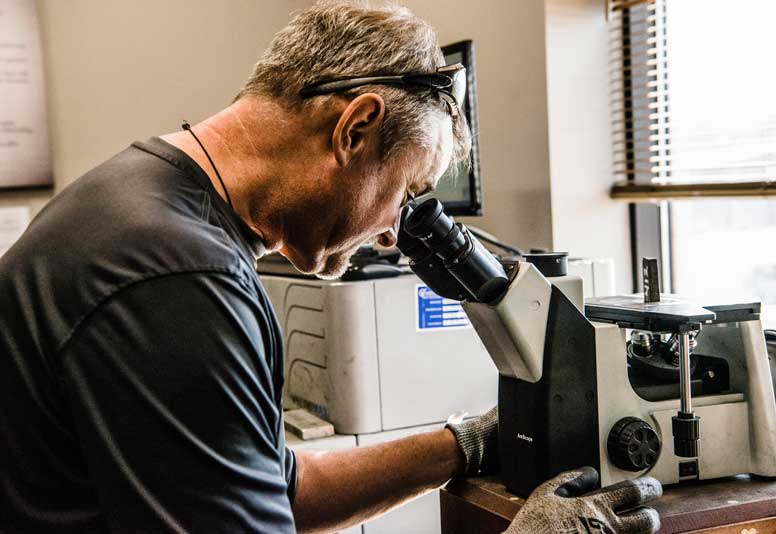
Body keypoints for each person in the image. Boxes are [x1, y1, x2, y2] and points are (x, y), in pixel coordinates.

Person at [0, 1, 661, 532]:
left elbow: (280, 490)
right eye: (404, 194)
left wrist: (464, 445)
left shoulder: (137, 202)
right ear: (355, 129)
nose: (390, 237)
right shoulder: (182, 279)